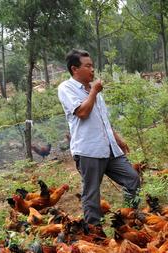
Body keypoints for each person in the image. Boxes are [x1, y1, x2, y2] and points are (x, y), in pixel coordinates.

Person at [58, 49, 140, 226]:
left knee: (132, 178)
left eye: (92, 66)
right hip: (89, 150)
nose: (92, 70)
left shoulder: (94, 90)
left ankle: (128, 217)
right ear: (75, 69)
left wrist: (117, 138)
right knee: (92, 193)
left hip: (108, 147)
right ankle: (94, 232)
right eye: (88, 66)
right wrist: (94, 91)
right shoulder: (66, 88)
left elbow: (103, 119)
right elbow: (82, 112)